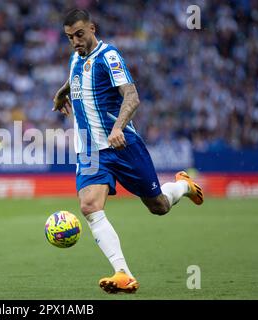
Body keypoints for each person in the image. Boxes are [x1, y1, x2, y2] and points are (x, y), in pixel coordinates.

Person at [52, 9, 204, 294]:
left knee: (158, 205)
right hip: (90, 151)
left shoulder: (109, 56)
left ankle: (183, 185)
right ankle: (123, 273)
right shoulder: (76, 57)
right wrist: (63, 92)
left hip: (122, 145)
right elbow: (78, 81)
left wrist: (118, 127)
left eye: (80, 34)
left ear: (92, 28)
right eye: (70, 37)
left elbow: (131, 95)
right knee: (89, 206)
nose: (75, 41)